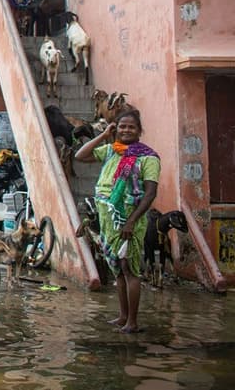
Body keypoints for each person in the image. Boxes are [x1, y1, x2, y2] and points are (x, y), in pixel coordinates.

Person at [75, 109, 159, 334]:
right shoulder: (112, 151)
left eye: (131, 127)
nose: (126, 130)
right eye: (122, 126)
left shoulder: (148, 157)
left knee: (130, 269)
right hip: (108, 218)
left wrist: (131, 221)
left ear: (139, 131)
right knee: (118, 270)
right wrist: (104, 135)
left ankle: (132, 321)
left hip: (129, 218)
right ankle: (122, 316)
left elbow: (150, 193)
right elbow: (80, 156)